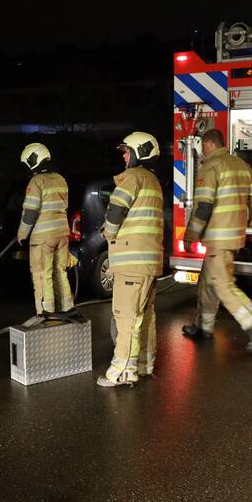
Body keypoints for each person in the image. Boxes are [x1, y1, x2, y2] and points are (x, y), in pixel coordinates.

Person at [181, 129, 252, 351]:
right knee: (207, 282)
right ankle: (203, 327)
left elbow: (204, 207)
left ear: (209, 144)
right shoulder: (241, 165)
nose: (202, 151)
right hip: (234, 237)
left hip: (217, 238)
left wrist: (190, 236)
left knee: (223, 286)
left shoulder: (211, 166)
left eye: (203, 146)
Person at [97, 131, 164, 388]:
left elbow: (115, 211)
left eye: (127, 151)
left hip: (132, 264)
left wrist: (109, 232)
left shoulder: (132, 178)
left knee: (126, 317)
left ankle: (122, 370)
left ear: (138, 152)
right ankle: (144, 365)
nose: (124, 156)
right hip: (148, 263)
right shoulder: (153, 181)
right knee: (145, 316)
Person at [16, 143, 73, 316]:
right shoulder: (61, 179)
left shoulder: (36, 182)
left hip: (43, 237)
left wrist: (22, 234)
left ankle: (46, 313)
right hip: (63, 234)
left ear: (33, 161)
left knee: (42, 275)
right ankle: (67, 308)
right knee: (60, 272)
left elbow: (30, 212)